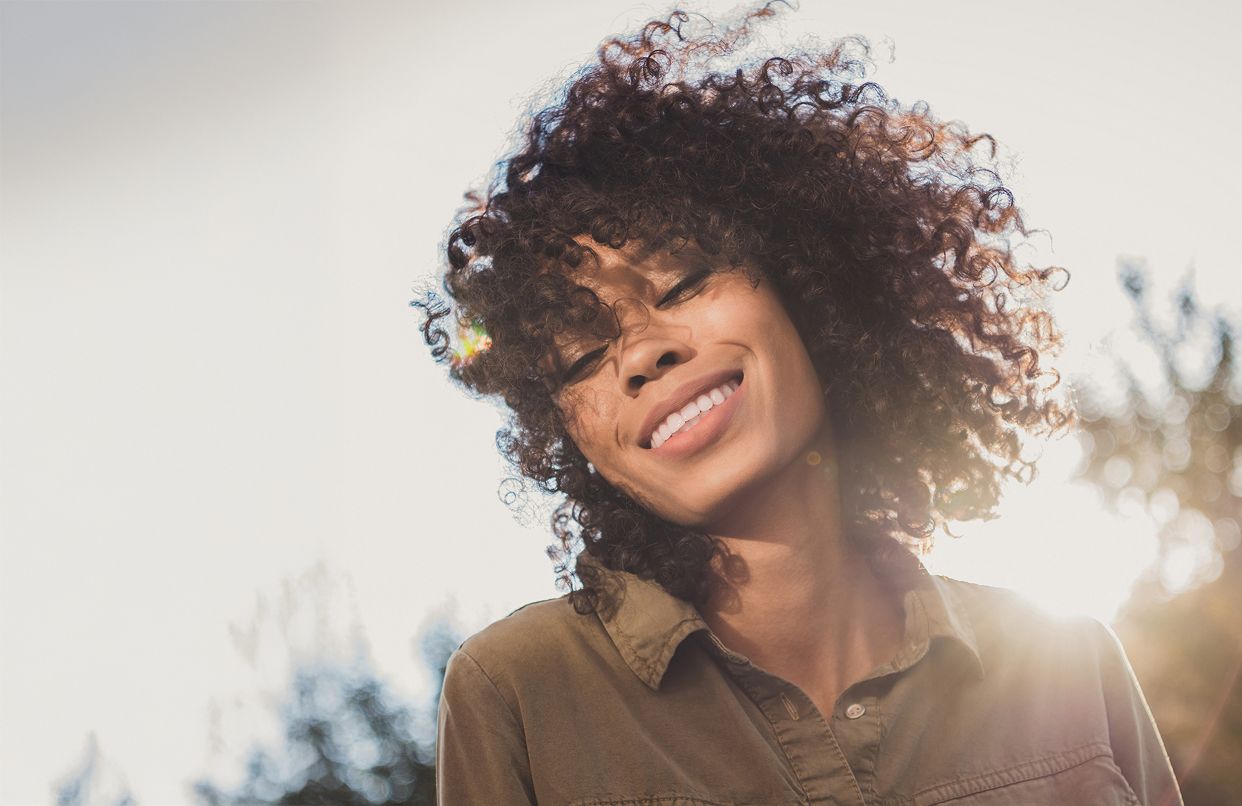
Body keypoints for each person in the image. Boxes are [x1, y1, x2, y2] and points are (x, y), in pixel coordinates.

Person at [414, 4, 1184, 805]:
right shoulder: (519, 692)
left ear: (811, 292)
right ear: (572, 442)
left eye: (681, 282)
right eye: (581, 357)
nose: (643, 352)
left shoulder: (1073, 669)